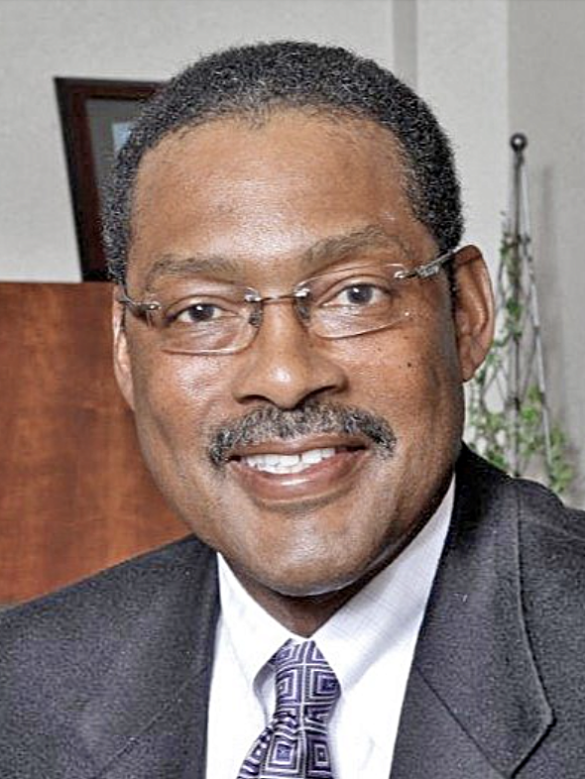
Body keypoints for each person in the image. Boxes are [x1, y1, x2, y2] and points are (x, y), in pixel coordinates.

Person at [2, 41, 584, 779]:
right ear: (125, 350)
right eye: (200, 309)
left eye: (355, 294)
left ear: (464, 313)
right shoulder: (20, 689)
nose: (283, 376)